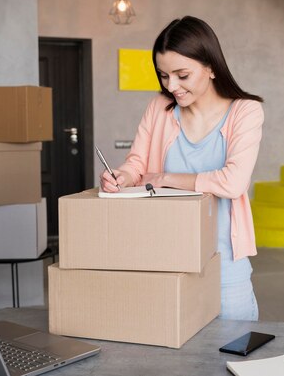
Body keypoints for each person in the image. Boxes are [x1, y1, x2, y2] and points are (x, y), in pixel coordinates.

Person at [100, 16, 264, 321]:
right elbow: (137, 162)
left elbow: (233, 183)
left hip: (224, 262)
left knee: (235, 351)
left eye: (182, 75)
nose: (171, 86)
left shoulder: (246, 111)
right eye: (164, 75)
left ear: (211, 67)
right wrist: (121, 175)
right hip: (164, 257)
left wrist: (163, 179)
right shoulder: (159, 109)